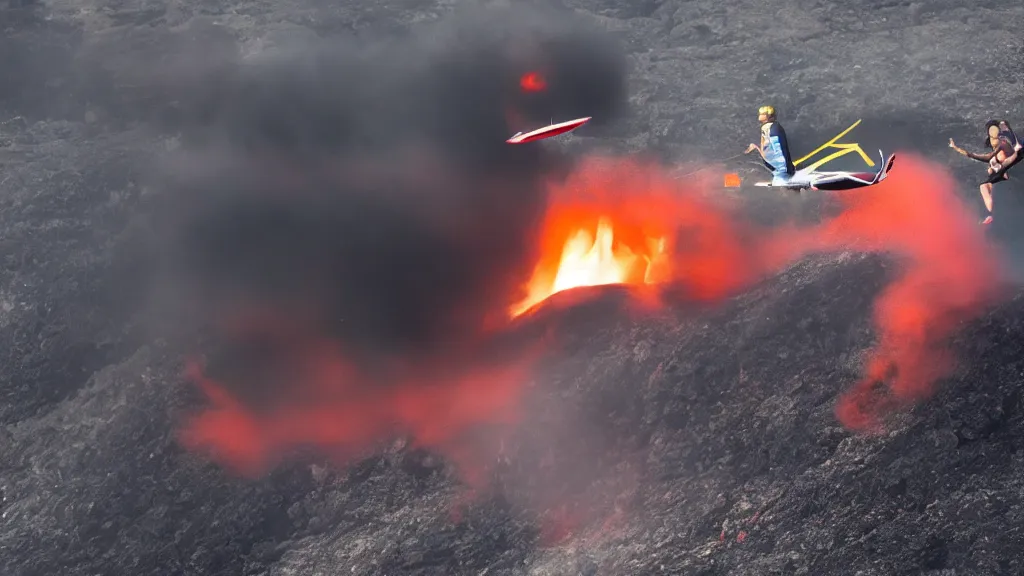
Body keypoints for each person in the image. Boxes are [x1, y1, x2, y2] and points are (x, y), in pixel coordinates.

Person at [949, 120, 1022, 225]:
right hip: (999, 175)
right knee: (986, 188)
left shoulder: (1003, 146)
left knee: (983, 186)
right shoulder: (996, 152)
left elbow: (1009, 159)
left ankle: (990, 214)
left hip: (1002, 174)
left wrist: (1016, 152)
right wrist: (956, 148)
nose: (993, 141)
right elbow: (979, 157)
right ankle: (989, 214)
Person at [745, 105, 795, 186]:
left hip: (781, 170)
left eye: (762, 114)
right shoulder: (767, 127)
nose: (759, 115)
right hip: (773, 165)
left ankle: (782, 178)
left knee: (780, 175)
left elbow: (778, 149)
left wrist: (783, 169)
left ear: (768, 116)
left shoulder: (774, 128)